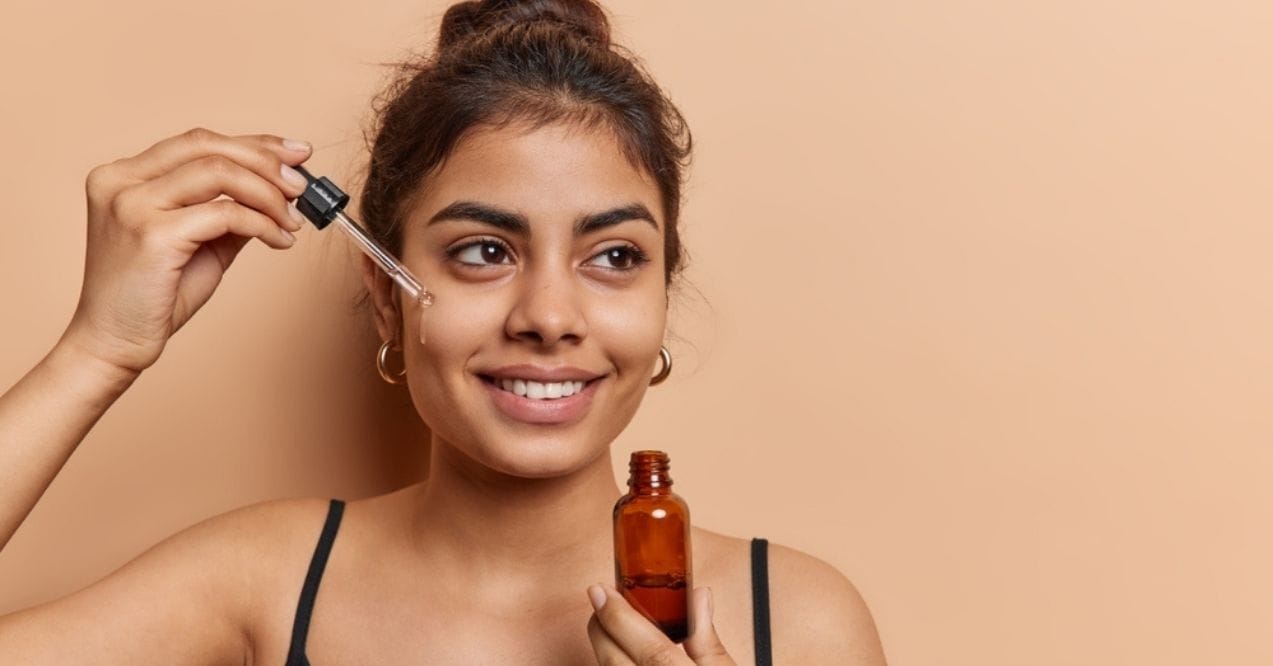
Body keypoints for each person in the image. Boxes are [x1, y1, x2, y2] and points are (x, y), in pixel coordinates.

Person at [0, 0, 886, 663]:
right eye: (483, 250)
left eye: (613, 257)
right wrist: (96, 351)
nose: (548, 317)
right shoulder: (263, 580)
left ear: (660, 295)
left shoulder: (797, 621)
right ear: (386, 298)